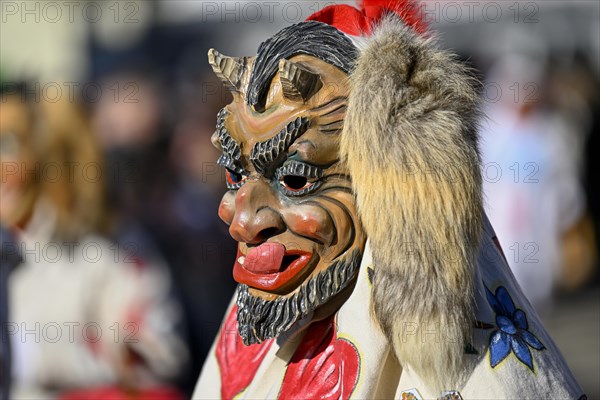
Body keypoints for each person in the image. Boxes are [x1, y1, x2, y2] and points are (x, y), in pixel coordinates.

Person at [192, 1, 586, 399]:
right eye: (236, 175)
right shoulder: (252, 338)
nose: (240, 220)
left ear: (391, 190)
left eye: (295, 178)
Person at [0, 83, 187, 399]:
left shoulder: (113, 249)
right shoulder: (15, 245)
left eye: (10, 145)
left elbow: (159, 356)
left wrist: (35, 359)